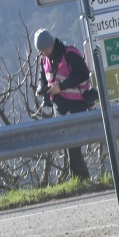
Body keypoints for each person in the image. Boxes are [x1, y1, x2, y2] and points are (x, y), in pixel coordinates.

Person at [35, 28, 97, 181]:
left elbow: (83, 74)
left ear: (51, 44)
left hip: (77, 102)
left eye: (45, 49)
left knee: (73, 143)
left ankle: (77, 179)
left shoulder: (69, 53)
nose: (43, 53)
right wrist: (41, 87)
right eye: (41, 51)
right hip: (59, 105)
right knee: (69, 143)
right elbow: (43, 77)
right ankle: (83, 179)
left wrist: (61, 86)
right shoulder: (44, 59)